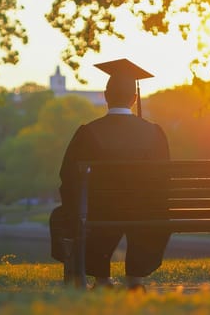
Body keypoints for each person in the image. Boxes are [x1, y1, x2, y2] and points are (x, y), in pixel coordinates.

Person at [49, 58, 170, 291]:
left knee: (71, 214)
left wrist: (77, 203)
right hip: (145, 212)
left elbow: (68, 177)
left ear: (106, 96)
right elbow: (163, 179)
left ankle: (102, 280)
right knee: (149, 208)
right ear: (134, 99)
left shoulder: (88, 133)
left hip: (98, 211)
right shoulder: (154, 133)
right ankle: (135, 278)